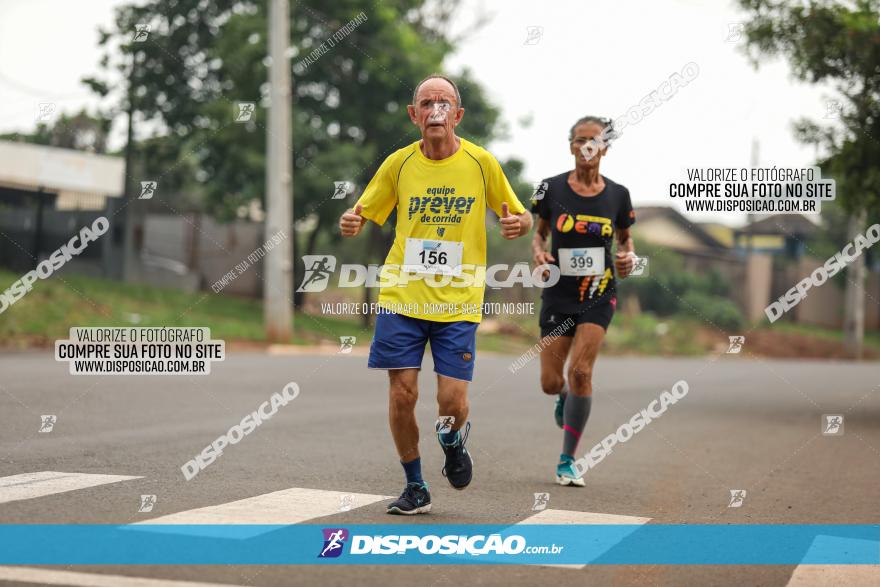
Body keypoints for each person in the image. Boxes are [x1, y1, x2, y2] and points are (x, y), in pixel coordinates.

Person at [339, 74, 532, 514]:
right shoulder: (399, 164)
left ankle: (450, 438)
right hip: (402, 297)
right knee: (402, 393)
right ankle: (415, 485)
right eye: (427, 103)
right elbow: (362, 213)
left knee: (452, 402)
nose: (435, 110)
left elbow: (520, 216)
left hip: (458, 300)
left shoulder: (482, 163)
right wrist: (352, 222)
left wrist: (518, 224)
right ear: (414, 115)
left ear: (458, 115)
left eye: (444, 103)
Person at [530, 116, 636, 486]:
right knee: (549, 381)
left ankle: (567, 460)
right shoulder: (549, 188)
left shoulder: (618, 196)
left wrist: (628, 258)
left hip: (598, 292)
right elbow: (538, 235)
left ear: (605, 147)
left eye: (594, 140)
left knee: (581, 372)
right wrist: (539, 254)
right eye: (580, 140)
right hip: (559, 292)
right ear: (571, 146)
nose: (587, 146)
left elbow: (625, 241)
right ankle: (561, 397)